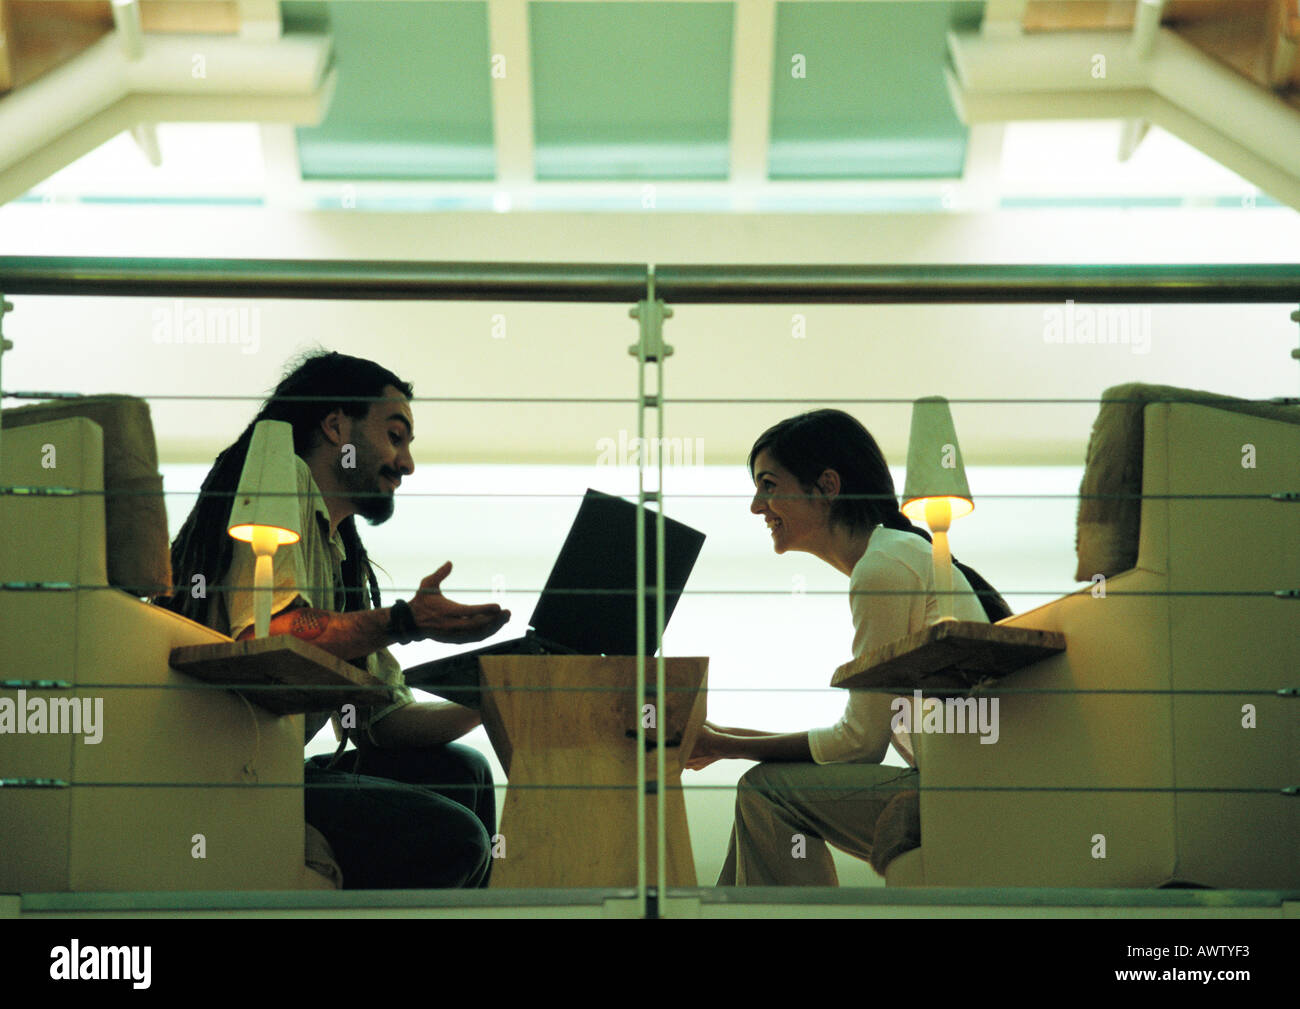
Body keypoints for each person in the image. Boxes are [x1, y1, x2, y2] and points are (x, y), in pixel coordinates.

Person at [159, 350, 512, 888]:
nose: (408, 463)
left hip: (283, 770)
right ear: (335, 426)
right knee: (455, 838)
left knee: (465, 771)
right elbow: (268, 633)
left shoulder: (340, 552)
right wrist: (402, 620)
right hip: (235, 772)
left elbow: (386, 726)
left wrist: (496, 697)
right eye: (396, 436)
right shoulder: (284, 480)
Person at [686, 409, 1010, 885]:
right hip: (971, 786)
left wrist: (728, 745)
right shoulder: (897, 555)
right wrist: (725, 740)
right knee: (759, 798)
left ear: (828, 485)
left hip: (967, 796)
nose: (757, 506)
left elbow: (859, 745)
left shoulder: (885, 566)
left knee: (764, 790)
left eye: (769, 484)